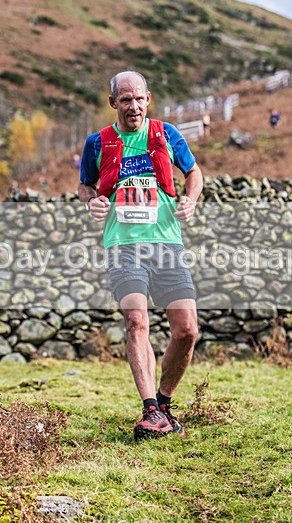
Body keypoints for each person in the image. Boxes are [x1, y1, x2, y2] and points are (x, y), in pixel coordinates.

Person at [77, 71, 202, 440]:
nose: (133, 107)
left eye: (139, 99)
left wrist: (190, 201)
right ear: (113, 102)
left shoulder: (166, 134)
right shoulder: (97, 143)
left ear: (148, 99)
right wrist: (93, 202)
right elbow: (85, 185)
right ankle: (149, 410)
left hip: (166, 243)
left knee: (187, 331)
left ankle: (164, 404)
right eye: (125, 100)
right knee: (136, 321)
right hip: (123, 246)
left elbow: (194, 173)